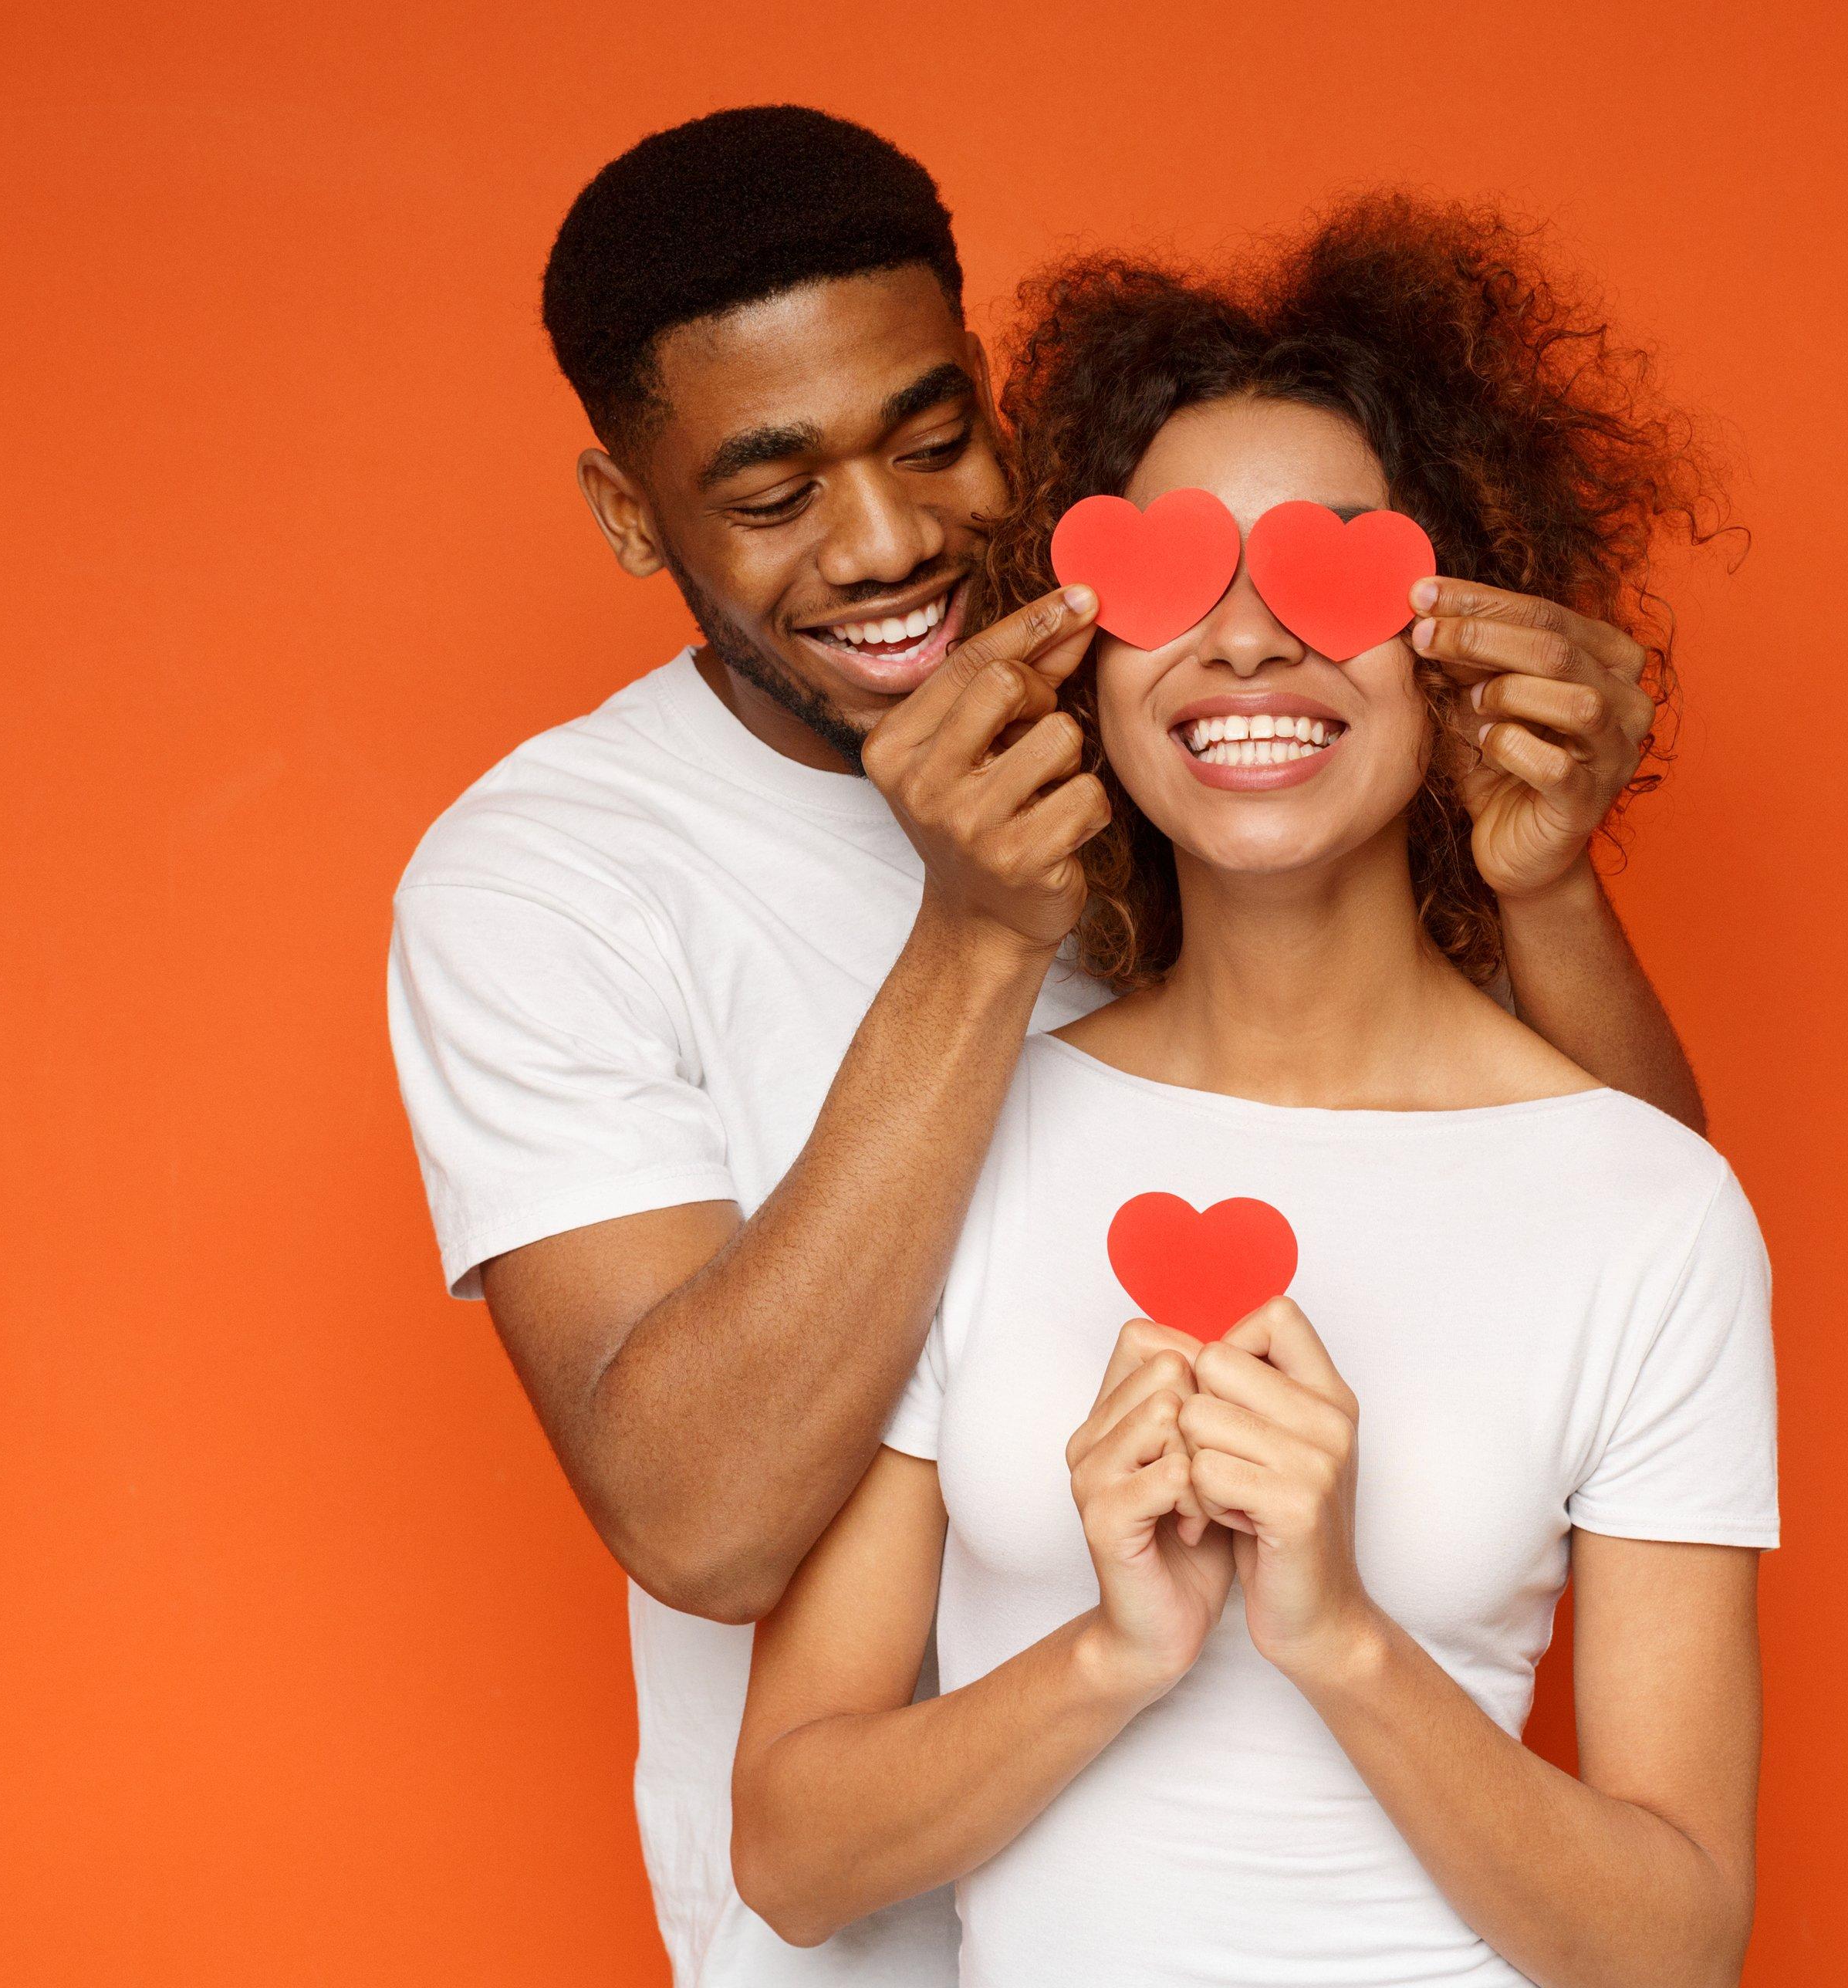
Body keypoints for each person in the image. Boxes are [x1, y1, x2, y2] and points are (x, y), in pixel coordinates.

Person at [387, 108, 1708, 1985]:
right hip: (850, 1934)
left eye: (933, 442)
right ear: (631, 511)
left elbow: (1613, 1243)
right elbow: (701, 1521)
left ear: (1001, 406)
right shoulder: (545, 884)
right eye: (771, 500)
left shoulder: (1188, 711)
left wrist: (1555, 889)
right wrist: (974, 936)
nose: (887, 542)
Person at [729, 198, 1775, 1988]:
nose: (1246, 640)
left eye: (1332, 572)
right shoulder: (966, 1137)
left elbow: (1674, 1946)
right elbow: (790, 1853)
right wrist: (1115, 1653)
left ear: (1452, 647)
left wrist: (1342, 1636)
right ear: (1076, 654)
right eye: (1169, 576)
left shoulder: (1651, 1204)